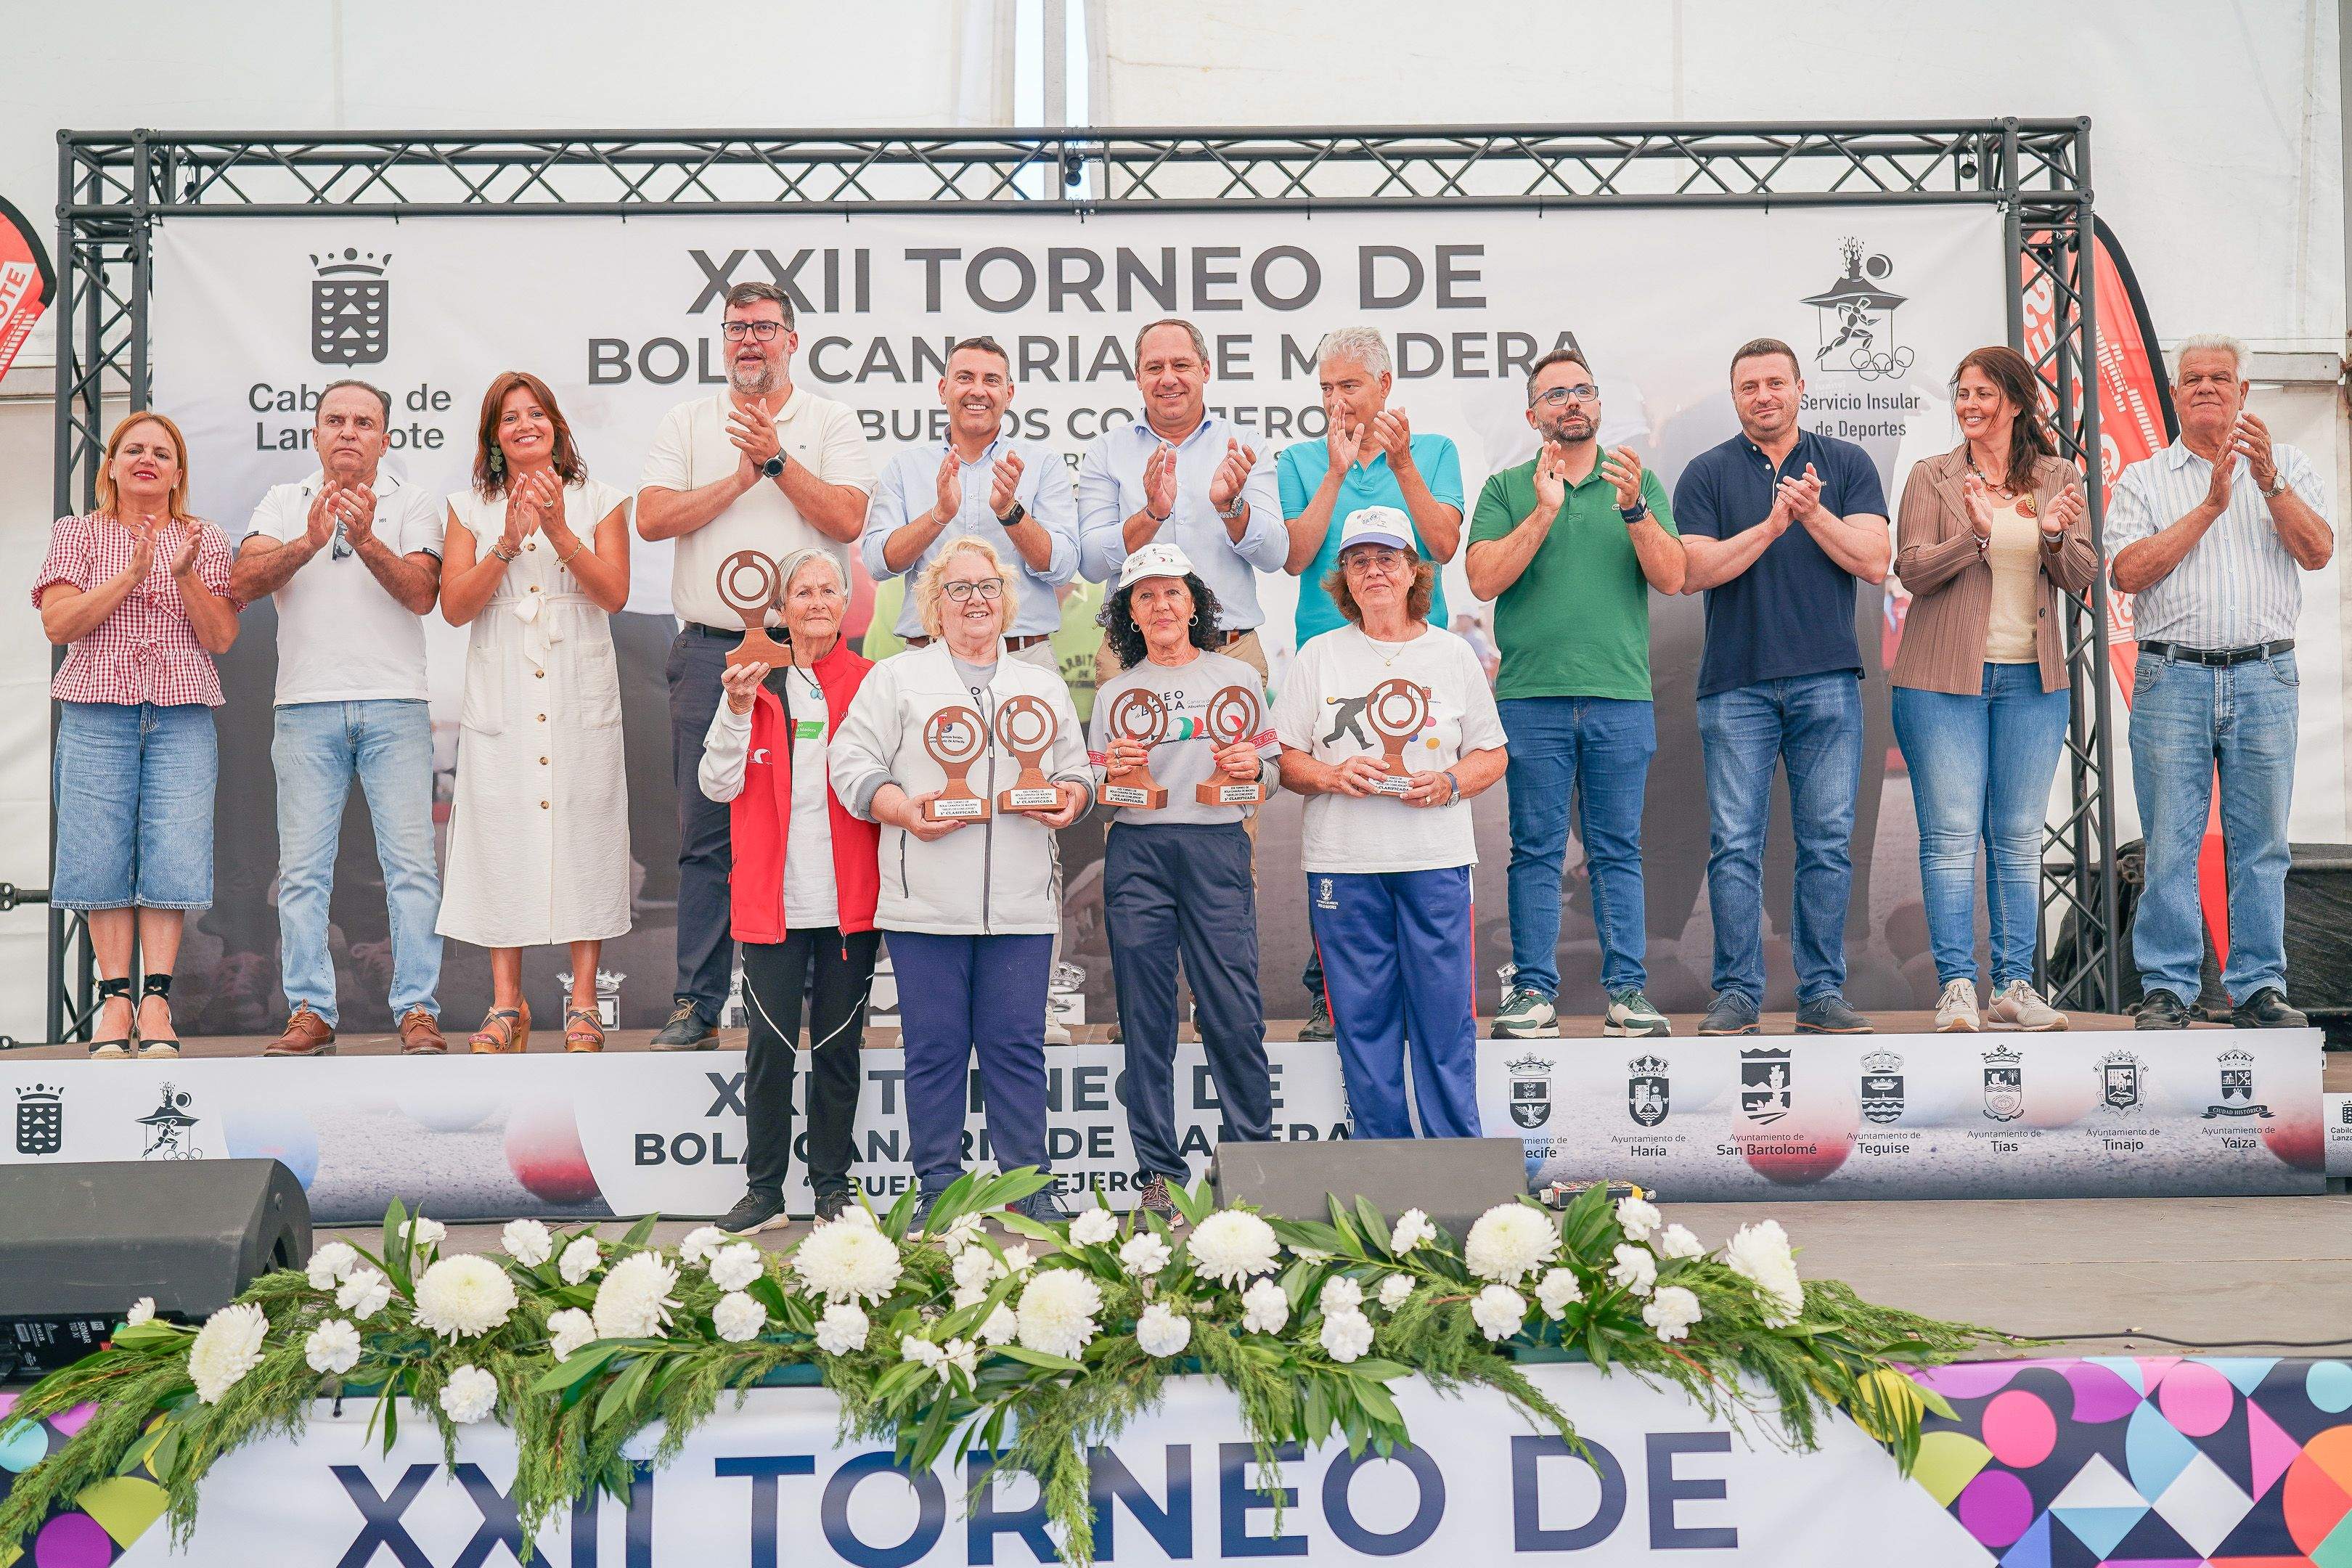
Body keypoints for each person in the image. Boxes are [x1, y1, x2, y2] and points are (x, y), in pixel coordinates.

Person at [639, 280, 876, 1051]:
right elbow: (652, 518)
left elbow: (846, 517)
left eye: (764, 327)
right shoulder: (688, 421)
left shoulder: (831, 420)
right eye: (737, 327)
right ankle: (697, 1002)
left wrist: (774, 460)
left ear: (791, 340)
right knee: (707, 834)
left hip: (811, 653)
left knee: (815, 822)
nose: (749, 340)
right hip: (714, 648)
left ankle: (812, 1002)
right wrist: (736, 480)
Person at [830, 538, 1092, 1222]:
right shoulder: (896, 678)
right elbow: (850, 760)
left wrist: (1071, 797)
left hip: (1021, 905)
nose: (976, 600)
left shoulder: (1041, 684)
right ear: (934, 606)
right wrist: (900, 809)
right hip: (925, 905)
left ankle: (1029, 1187)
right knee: (935, 1052)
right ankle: (938, 1192)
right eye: (959, 588)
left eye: (987, 587)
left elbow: (1075, 769)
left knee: (1017, 1049)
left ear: (1006, 602)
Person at [2108, 333, 2335, 1029]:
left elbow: (2318, 552)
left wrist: (2268, 483)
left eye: (2220, 377)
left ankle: (2259, 986)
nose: (2206, 386)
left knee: (2262, 843)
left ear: (2244, 393)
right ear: (2175, 395)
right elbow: (2126, 573)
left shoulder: (2288, 465)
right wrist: (2208, 507)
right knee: (2170, 843)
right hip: (2172, 675)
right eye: (2193, 379)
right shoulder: (2145, 478)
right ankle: (2168, 988)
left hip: (2265, 674)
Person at [865, 334, 1084, 1042]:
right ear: (943, 389)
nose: (978, 389)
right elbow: (877, 560)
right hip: (928, 669)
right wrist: (937, 513)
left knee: (1033, 826)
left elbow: (1063, 565)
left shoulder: (1040, 465)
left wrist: (1012, 511)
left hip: (1023, 664)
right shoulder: (908, 467)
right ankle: (925, 1004)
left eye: (992, 378)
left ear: (1010, 392)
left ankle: (1035, 999)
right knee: (930, 821)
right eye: (965, 377)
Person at [1674, 338, 1892, 1036]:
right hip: (1734, 684)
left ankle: (1822, 991)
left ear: (1801, 388)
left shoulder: (1846, 463)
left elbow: (1875, 561)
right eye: (1749, 386)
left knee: (1826, 843)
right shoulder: (1705, 472)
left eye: (1775, 382)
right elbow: (1694, 571)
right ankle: (1737, 993)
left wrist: (1813, 514)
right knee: (1735, 844)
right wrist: (1772, 525)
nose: (1763, 396)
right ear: (1735, 397)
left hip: (1827, 679)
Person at [1465, 348, 1684, 1040]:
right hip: (1532, 697)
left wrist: (1635, 511)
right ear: (1534, 415)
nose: (1572, 402)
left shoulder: (1636, 480)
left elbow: (1673, 576)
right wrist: (1543, 511)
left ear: (1599, 404)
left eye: (1582, 390)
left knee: (1617, 848)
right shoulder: (1507, 488)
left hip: (1620, 695)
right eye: (1555, 394)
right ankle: (1533, 993)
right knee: (1535, 849)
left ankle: (1627, 994)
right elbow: (1482, 579)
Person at [1270, 507, 1506, 1140]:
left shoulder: (1451, 654)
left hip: (1434, 860)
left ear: (1412, 571)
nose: (1373, 571)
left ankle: (1456, 1158)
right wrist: (1331, 775)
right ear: (1345, 577)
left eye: (1386, 559)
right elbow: (1284, 758)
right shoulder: (1319, 655)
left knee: (1445, 1018)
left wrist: (1449, 783)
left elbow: (1492, 753)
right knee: (1363, 1021)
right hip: (1344, 864)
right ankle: (1384, 1165)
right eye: (1359, 561)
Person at [231, 380, 448, 1057]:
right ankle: (311, 1010)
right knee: (302, 872)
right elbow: (243, 581)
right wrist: (309, 540)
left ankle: (417, 1009)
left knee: (411, 868)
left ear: (386, 438)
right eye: (335, 420)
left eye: (363, 422)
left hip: (395, 703)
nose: (348, 431)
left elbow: (422, 593)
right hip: (304, 706)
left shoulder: (413, 502)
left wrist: (366, 537)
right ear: (316, 434)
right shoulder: (283, 501)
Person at [1890, 347, 2096, 1032]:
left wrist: (2054, 536)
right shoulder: (1933, 476)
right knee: (1951, 836)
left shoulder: (2057, 475)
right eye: (1962, 393)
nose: (1969, 406)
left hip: (2032, 681)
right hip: (1940, 680)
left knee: (2016, 837)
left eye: (1982, 393)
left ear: (2015, 402)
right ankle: (1956, 985)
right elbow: (1912, 570)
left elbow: (2081, 575)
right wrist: (1976, 539)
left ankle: (2013, 985)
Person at [1277, 326, 1465, 1042]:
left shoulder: (1434, 451)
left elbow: (1442, 545)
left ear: (1384, 386)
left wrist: (1403, 462)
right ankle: (1328, 988)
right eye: (1325, 388)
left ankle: (1423, 987)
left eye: (1349, 386)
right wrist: (1333, 472)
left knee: (1418, 814)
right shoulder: (1299, 459)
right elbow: (1297, 558)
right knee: (1337, 818)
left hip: (1417, 657)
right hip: (1328, 661)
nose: (1336, 401)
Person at [438, 372, 634, 1053]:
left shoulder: (602, 499)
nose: (525, 425)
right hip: (504, 680)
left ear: (556, 425)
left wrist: (555, 528)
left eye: (535, 414)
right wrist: (507, 541)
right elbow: (455, 607)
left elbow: (614, 594)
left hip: (578, 676)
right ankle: (506, 1004)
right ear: (494, 436)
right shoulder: (467, 507)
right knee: (501, 830)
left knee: (586, 829)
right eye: (510, 418)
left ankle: (584, 1002)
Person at [34, 412, 237, 1060]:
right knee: (100, 853)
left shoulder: (205, 538)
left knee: (173, 853)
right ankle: (115, 1000)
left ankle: (156, 1002)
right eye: (133, 450)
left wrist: (181, 574)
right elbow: (58, 624)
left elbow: (221, 637)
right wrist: (129, 574)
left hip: (181, 714)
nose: (147, 459)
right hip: (97, 710)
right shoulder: (78, 533)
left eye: (161, 453)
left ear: (178, 474)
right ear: (112, 466)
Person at [1087, 541, 1277, 1217]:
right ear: (1130, 614)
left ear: (1194, 603)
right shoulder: (1114, 693)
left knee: (1232, 1012)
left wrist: (1255, 771)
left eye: (1173, 592)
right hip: (1138, 852)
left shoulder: (1239, 678)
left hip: (1216, 848)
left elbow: (1271, 772)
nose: (1161, 605)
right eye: (1146, 596)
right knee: (1145, 1019)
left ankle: (1250, 1168)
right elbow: (1101, 798)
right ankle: (1159, 1179)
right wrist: (1112, 776)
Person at [697, 550, 881, 1230]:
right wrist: (736, 709)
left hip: (849, 903)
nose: (817, 602)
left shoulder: (872, 682)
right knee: (768, 1054)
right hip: (771, 902)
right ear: (781, 608)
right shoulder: (752, 681)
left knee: (839, 1052)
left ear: (846, 604)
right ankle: (765, 1192)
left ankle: (832, 1188)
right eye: (803, 592)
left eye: (829, 590)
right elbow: (716, 785)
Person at [1077, 317, 1284, 690]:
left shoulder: (1244, 444)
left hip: (1229, 651)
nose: (1168, 379)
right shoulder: (1106, 451)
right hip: (1132, 655)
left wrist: (1230, 508)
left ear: (1205, 370)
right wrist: (1151, 515)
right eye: (1155, 368)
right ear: (1138, 378)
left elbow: (1274, 555)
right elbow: (1091, 564)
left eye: (1181, 365)